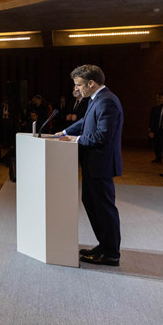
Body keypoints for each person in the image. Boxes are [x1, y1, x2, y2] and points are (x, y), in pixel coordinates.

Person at [56, 65, 124, 266]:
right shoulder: (97, 99)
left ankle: (111, 253)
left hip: (101, 165)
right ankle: (104, 246)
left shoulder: (107, 101)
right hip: (92, 164)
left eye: (79, 85)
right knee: (92, 203)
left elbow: (102, 136)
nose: (77, 89)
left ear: (91, 83)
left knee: (104, 209)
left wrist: (75, 139)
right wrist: (64, 132)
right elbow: (86, 122)